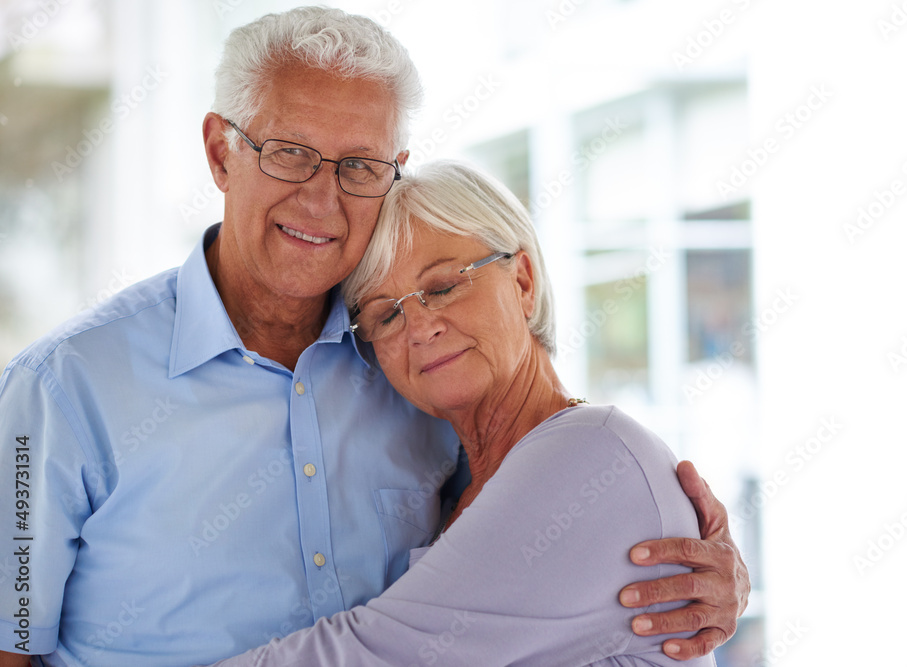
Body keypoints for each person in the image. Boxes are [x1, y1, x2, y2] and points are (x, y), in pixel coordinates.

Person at [0, 7, 747, 667]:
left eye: (358, 165)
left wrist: (707, 563)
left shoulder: (415, 375)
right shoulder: (60, 391)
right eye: (289, 151)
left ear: (393, 174)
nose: (321, 198)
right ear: (221, 151)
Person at [206, 159, 722, 666]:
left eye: (444, 287)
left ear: (522, 281)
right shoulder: (457, 477)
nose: (419, 327)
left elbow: (377, 655)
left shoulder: (590, 451)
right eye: (385, 314)